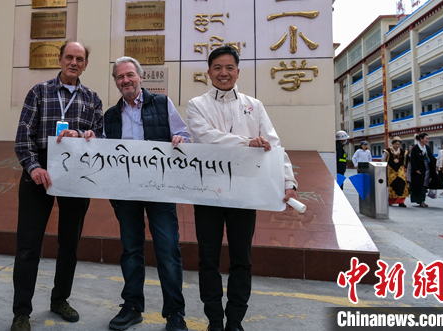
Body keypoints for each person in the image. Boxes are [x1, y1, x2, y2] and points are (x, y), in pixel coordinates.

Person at [186, 46, 298, 331]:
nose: (223, 73)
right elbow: (207, 139)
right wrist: (246, 143)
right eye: (217, 67)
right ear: (208, 72)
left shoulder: (254, 105)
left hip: (245, 192)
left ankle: (235, 320)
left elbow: (273, 144)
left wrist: (288, 182)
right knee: (208, 259)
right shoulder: (197, 105)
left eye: (229, 68)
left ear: (238, 71)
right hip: (209, 192)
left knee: (242, 259)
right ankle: (214, 320)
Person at [12, 41, 104, 331]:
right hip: (40, 169)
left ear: (85, 65)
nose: (74, 62)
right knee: (28, 245)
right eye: (69, 57)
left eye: (80, 59)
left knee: (69, 243)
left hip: (75, 173)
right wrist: (33, 167)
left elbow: (101, 137)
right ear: (60, 59)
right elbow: (23, 135)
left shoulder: (92, 98)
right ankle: (21, 312)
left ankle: (60, 299)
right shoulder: (39, 92)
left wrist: (87, 136)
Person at [103, 56, 190, 331]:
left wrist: (181, 140)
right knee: (131, 250)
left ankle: (175, 313)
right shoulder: (110, 115)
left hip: (160, 189)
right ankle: (132, 307)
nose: (126, 80)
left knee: (168, 250)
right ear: (116, 82)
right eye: (120, 77)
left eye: (130, 74)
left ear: (140, 77)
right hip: (126, 192)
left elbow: (184, 135)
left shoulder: (162, 104)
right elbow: (103, 152)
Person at [410, 132, 436, 208]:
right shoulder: (415, 148)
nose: (427, 140)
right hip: (419, 168)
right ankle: (420, 200)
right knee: (419, 185)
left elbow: (431, 157)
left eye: (428, 139)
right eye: (426, 138)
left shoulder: (427, 147)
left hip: (427, 168)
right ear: (421, 139)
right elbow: (413, 160)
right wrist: (416, 169)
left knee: (425, 184)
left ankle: (422, 200)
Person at [382, 137, 408, 207]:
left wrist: (405, 167)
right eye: (396, 144)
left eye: (399, 144)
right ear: (393, 144)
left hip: (400, 169)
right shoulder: (387, 151)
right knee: (392, 185)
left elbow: (405, 160)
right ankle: (391, 201)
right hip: (391, 169)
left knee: (402, 183)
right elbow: (383, 159)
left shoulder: (403, 151)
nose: (397, 146)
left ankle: (401, 201)